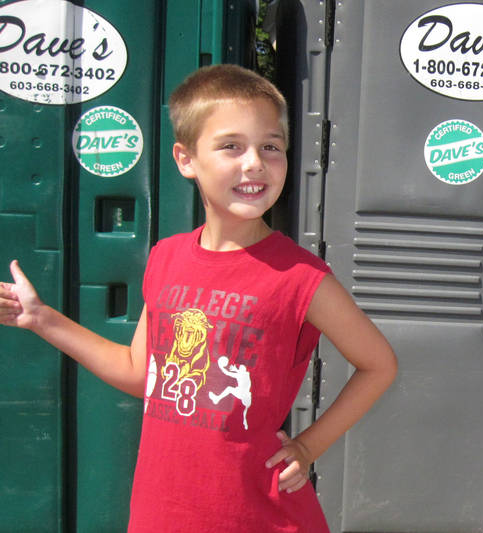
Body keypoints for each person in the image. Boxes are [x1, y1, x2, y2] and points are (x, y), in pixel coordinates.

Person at [0, 64, 397, 533]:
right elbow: (139, 373)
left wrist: (309, 446)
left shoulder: (300, 277)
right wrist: (42, 318)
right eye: (232, 146)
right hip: (162, 510)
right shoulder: (166, 258)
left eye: (271, 147)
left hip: (257, 515)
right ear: (186, 159)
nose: (254, 163)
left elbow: (379, 364)